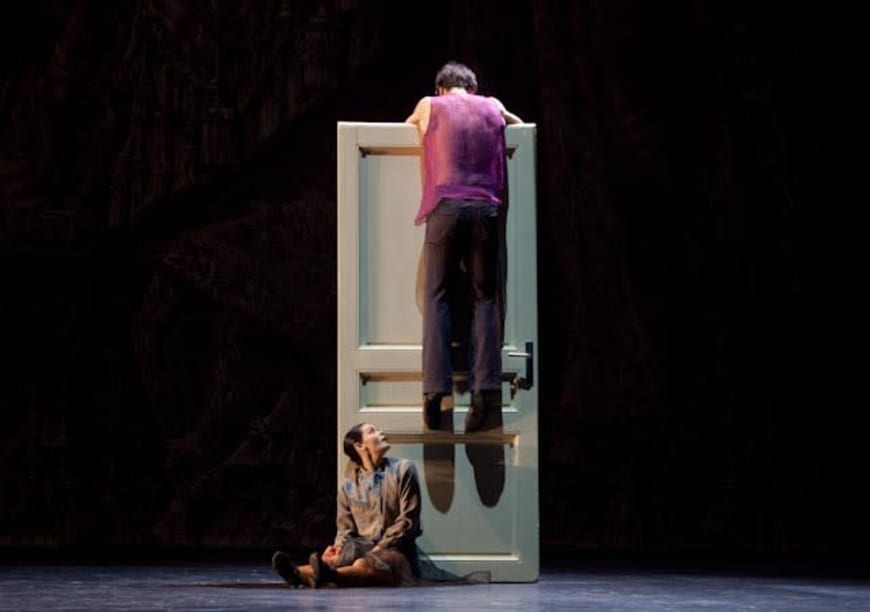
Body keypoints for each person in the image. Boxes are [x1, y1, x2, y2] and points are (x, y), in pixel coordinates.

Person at [406, 61, 523, 433]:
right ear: (472, 89)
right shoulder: (492, 105)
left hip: (446, 206)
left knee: (436, 295)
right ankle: (485, 390)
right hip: (484, 208)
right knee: (484, 298)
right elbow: (519, 127)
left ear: (441, 88)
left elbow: (409, 127)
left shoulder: (430, 104)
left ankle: (435, 391)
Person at [271, 423, 422, 588]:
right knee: (338, 559)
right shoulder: (348, 486)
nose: (381, 432)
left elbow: (408, 520)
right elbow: (345, 529)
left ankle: (329, 576)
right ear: (359, 446)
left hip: (396, 550)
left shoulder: (403, 470)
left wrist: (379, 547)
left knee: (363, 563)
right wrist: (338, 548)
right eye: (373, 431)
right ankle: (296, 574)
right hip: (363, 548)